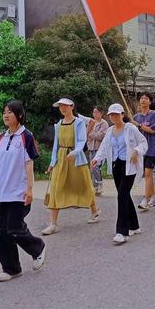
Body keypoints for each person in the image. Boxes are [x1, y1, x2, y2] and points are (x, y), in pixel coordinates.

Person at [0, 100, 45, 282]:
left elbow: (29, 163)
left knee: (15, 228)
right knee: (2, 232)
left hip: (19, 192)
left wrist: (29, 189)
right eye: (4, 112)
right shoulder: (2, 138)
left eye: (10, 112)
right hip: (4, 193)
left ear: (19, 115)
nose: (6, 115)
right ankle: (11, 268)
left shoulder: (25, 136)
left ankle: (38, 247)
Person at [42, 98, 100, 235]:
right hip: (61, 158)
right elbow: (56, 145)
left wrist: (75, 152)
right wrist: (52, 163)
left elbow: (81, 140)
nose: (62, 108)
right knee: (56, 188)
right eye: (60, 106)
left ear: (72, 106)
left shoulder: (79, 122)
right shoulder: (58, 125)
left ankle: (94, 211)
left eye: (65, 106)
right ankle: (53, 224)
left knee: (84, 185)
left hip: (76, 158)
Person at [91, 104, 148, 244]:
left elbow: (143, 143)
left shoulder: (131, 128)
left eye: (117, 114)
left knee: (122, 195)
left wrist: (136, 151)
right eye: (111, 115)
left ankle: (122, 231)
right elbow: (104, 147)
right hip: (117, 166)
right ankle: (134, 225)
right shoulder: (110, 131)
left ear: (122, 114)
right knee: (124, 195)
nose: (114, 117)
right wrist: (97, 158)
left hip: (129, 166)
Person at [132, 92, 155, 210]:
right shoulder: (136, 117)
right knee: (147, 174)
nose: (143, 100)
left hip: (151, 148)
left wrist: (138, 125)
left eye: (146, 98)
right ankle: (153, 196)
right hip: (140, 149)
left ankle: (146, 199)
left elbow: (152, 131)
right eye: (141, 98)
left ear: (150, 101)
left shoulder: (154, 115)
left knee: (148, 174)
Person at [86, 106, 108, 196]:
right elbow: (87, 134)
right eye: (94, 112)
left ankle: (99, 183)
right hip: (91, 147)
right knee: (92, 167)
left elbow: (102, 135)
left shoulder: (104, 123)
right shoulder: (91, 123)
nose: (95, 114)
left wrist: (92, 135)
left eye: (97, 112)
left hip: (100, 148)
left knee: (96, 166)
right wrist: (90, 136)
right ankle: (94, 186)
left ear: (101, 113)